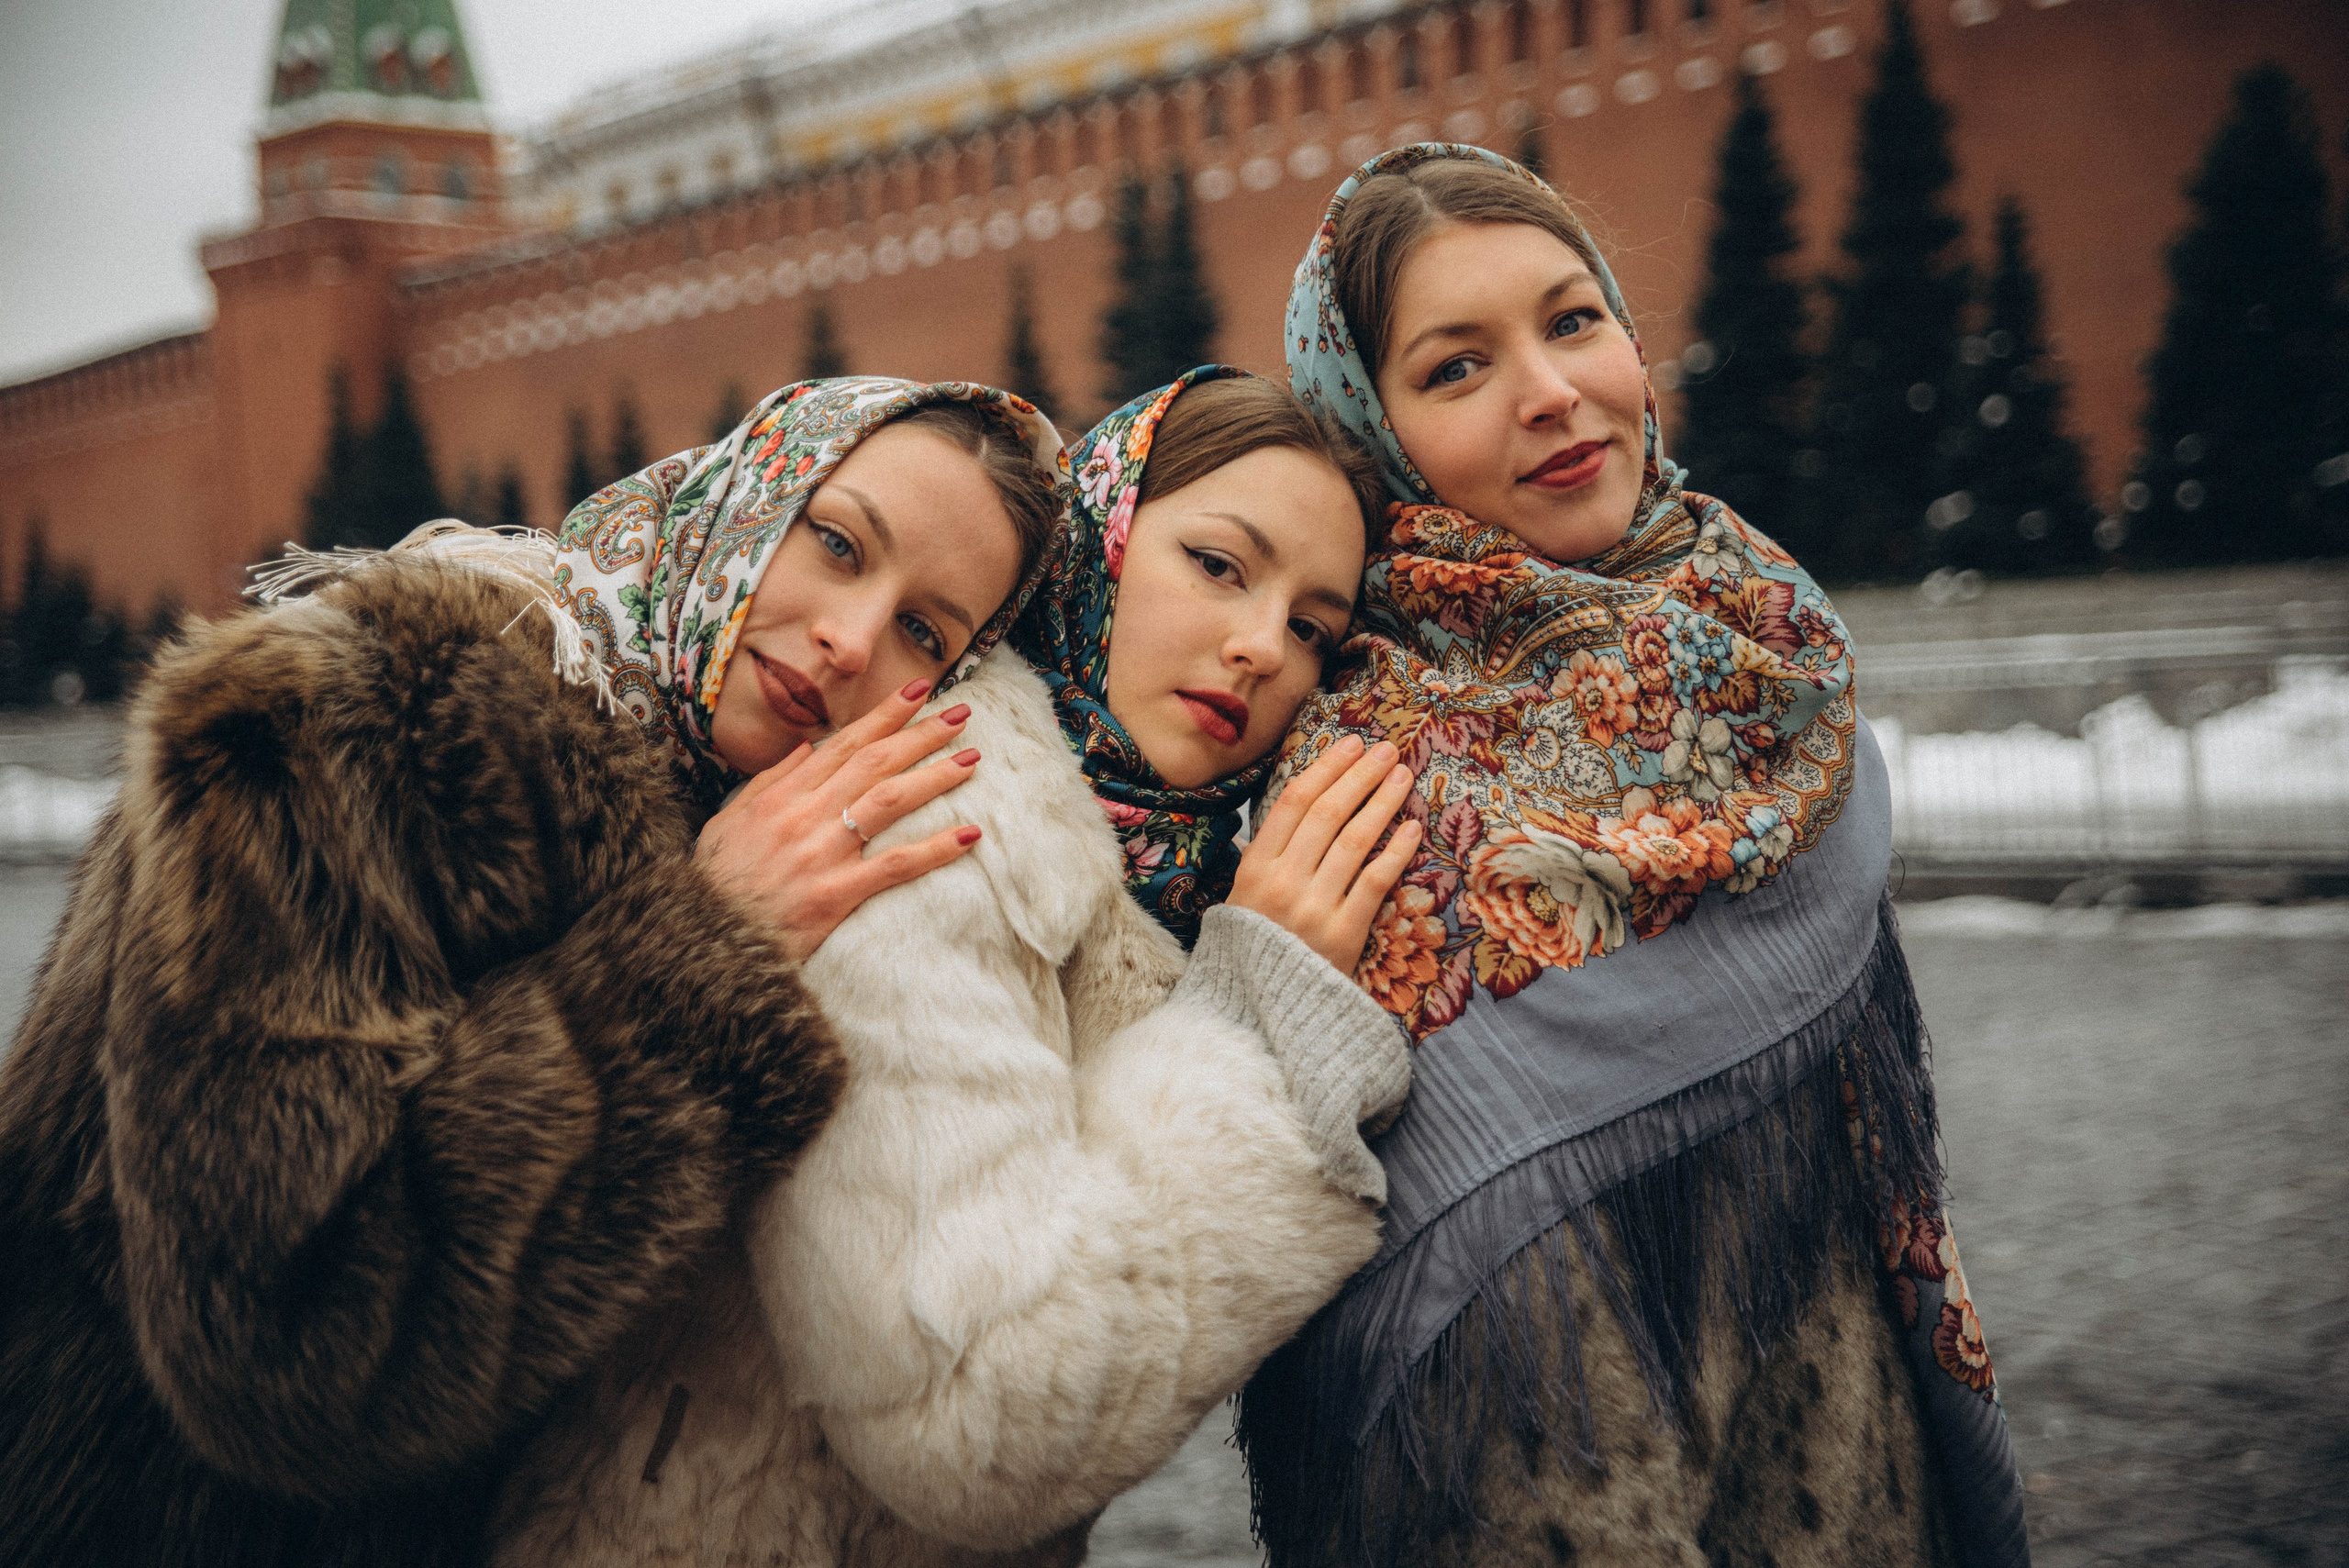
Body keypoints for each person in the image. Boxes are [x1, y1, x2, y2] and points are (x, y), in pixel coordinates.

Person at [0, 377, 1065, 1568]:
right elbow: (289, 1335)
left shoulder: (744, 822)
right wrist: (707, 952)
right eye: (835, 542)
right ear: (751, 495)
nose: (853, 636)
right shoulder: (354, 718)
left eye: (927, 630)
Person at [1234, 147, 2030, 1567]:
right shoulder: (1374, 795)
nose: (1551, 391)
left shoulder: (1763, 658)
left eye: (1574, 319)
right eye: (1458, 366)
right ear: (1372, 435)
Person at [486, 366, 1419, 1566]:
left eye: (1310, 628)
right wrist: (1262, 1030)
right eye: (1220, 566)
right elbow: (981, 1421)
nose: (1257, 648)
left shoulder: (1156, 876)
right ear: (1104, 547)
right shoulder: (939, 826)